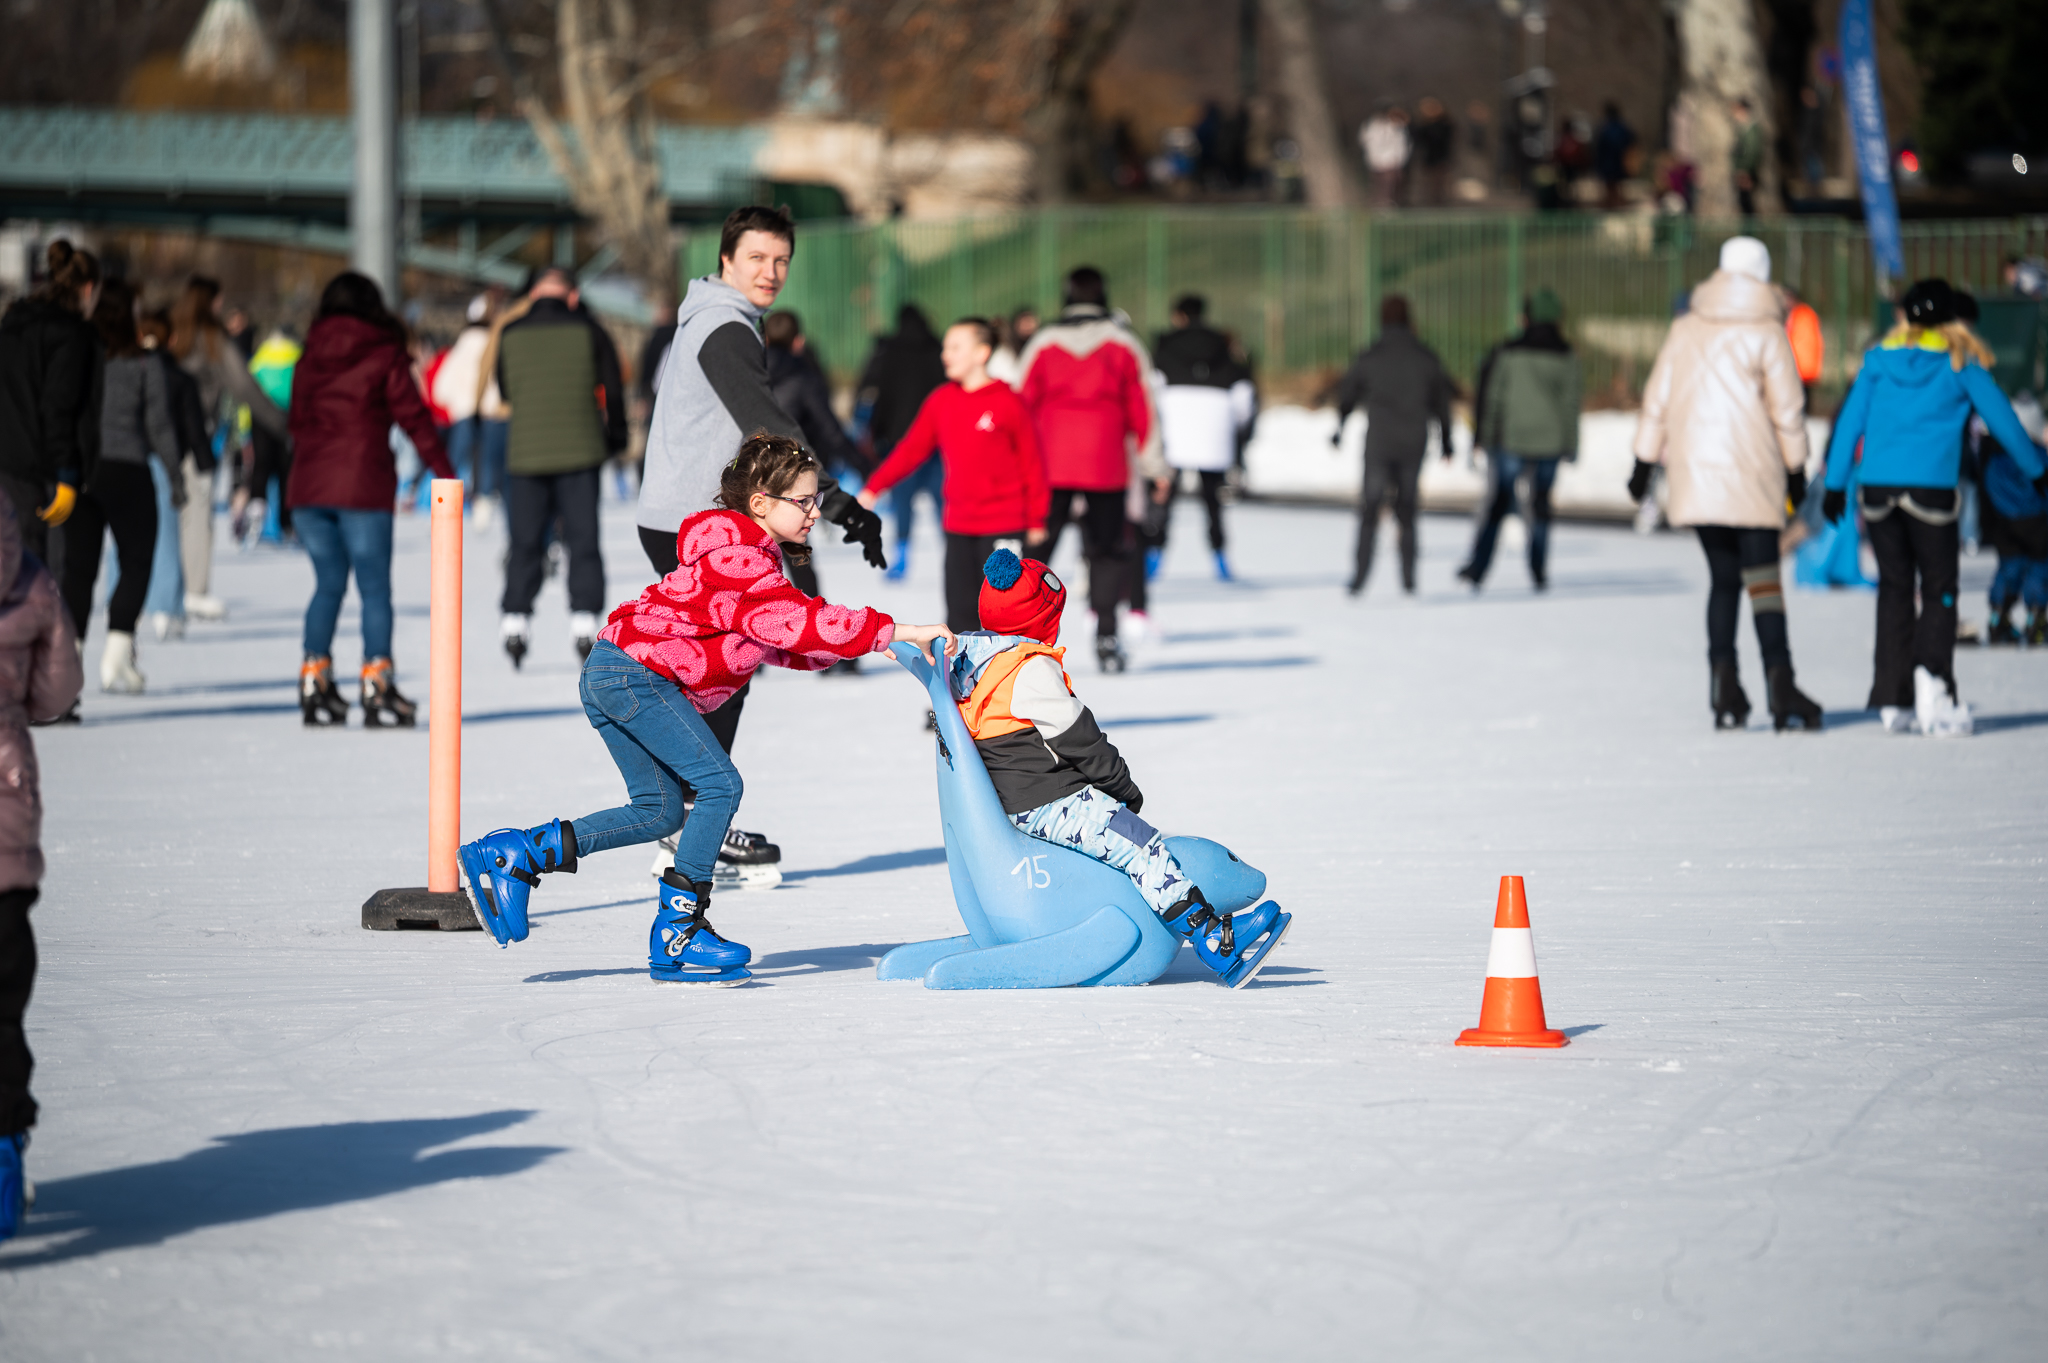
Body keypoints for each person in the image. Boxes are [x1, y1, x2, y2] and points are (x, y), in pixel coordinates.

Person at [456, 434, 954, 983]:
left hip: (616, 671)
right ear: (760, 502)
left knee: (659, 812)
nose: (815, 512)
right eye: (803, 501)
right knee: (720, 786)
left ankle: (518, 855)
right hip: (636, 675)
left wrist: (869, 644)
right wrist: (892, 630)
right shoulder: (740, 560)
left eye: (816, 500)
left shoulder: (746, 557)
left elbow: (781, 638)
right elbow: (799, 622)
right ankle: (681, 929)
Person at [638, 205, 888, 877]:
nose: (771, 272)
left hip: (684, 513)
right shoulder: (725, 327)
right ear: (726, 259)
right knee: (726, 667)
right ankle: (691, 824)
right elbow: (768, 425)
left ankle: (684, 816)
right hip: (696, 520)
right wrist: (836, 502)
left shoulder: (711, 316)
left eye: (781, 261)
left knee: (717, 666)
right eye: (756, 258)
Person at [943, 548, 1288, 987]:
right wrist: (1121, 787)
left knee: (1127, 840)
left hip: (1020, 799)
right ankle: (1213, 940)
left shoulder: (973, 662)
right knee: (1140, 843)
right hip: (1049, 800)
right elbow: (1081, 740)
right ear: (1041, 622)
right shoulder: (1029, 670)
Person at [1821, 278, 2046, 734]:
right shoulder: (1960, 362)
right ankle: (1934, 685)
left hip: (1877, 490)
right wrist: (2038, 472)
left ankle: (1893, 697)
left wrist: (1834, 484)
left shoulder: (1877, 360)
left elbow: (1849, 422)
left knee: (1895, 588)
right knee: (1940, 588)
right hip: (1930, 491)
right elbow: (2004, 422)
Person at [1630, 236, 1820, 731]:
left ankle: (1724, 683)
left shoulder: (1685, 327)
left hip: (1697, 474)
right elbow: (1787, 411)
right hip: (1753, 474)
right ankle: (1781, 684)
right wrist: (1796, 472)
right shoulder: (1769, 331)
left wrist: (1643, 464)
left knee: (1723, 580)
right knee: (1763, 580)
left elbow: (1657, 399)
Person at [286, 271, 454, 728]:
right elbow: (413, 417)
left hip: (308, 488)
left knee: (327, 584)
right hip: (361, 484)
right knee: (374, 588)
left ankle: (314, 678)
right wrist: (445, 471)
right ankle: (377, 686)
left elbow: (295, 422)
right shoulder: (383, 352)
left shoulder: (308, 357)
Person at [0, 500, 84, 1243]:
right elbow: (56, 693)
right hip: (4, 825)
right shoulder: (26, 576)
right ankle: (2, 1148)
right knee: (1, 1005)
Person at [858, 317, 1048, 632]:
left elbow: (1033, 463)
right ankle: (965, 666)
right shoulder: (941, 400)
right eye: (945, 347)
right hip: (959, 525)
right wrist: (874, 487)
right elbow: (910, 450)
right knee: (960, 615)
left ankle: (1011, 665)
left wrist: (1037, 518)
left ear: (982, 353)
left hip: (1004, 524)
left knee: (1006, 615)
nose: (946, 354)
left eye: (956, 347)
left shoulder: (1009, 402)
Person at [1018, 267, 1165, 672]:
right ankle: (1107, 635)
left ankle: (1019, 633)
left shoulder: (1044, 342)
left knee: (1036, 552)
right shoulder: (1124, 343)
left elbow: (1021, 403)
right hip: (1106, 463)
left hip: (1051, 463)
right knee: (1106, 552)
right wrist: (1155, 465)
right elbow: (1143, 409)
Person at [494, 266, 625, 666]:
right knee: (582, 538)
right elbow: (613, 388)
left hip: (526, 453)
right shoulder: (590, 330)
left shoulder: (510, 333)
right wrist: (615, 439)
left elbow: (505, 389)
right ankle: (584, 620)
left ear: (533, 295)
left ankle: (515, 619)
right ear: (572, 296)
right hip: (580, 451)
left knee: (525, 539)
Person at [61, 280, 179, 695]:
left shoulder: (77, 359)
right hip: (129, 470)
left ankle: (68, 664)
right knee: (136, 561)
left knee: (78, 570)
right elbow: (159, 425)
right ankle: (116, 656)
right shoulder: (144, 363)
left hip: (83, 471)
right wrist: (175, 475)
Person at [170, 276, 285, 619]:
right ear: (210, 302)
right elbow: (244, 386)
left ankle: (161, 592)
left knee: (165, 514)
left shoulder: (172, 334)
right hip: (196, 435)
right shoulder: (211, 340)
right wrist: (283, 424)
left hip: (158, 432)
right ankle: (194, 590)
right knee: (197, 511)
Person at [1458, 288, 1582, 591]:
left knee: (1498, 502)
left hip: (1511, 440)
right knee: (1540, 506)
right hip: (1551, 442)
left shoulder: (1509, 353)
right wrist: (1571, 443)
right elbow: (1570, 405)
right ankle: (1538, 570)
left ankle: (1479, 567)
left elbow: (1495, 397)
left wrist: (1485, 435)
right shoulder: (1567, 356)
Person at [1331, 295, 1455, 597]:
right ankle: (1409, 578)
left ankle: (1359, 576)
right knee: (1408, 509)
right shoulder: (1425, 357)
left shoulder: (1371, 355)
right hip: (1414, 440)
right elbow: (1442, 401)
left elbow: (1348, 393)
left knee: (1370, 508)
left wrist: (1340, 426)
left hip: (1380, 441)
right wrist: (1447, 441)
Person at [0, 240, 100, 569]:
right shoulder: (69, 334)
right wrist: (68, 474)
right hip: (34, 474)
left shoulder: (13, 323)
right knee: (36, 574)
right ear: (88, 289)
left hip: (6, 463)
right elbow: (58, 407)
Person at [1152, 295, 1254, 582]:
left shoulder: (1166, 345)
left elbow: (1152, 388)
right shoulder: (1223, 345)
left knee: (1164, 500)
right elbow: (1243, 397)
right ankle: (1220, 557)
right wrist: (1234, 428)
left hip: (1174, 435)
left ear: (1179, 315)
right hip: (1213, 436)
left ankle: (1153, 557)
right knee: (1213, 502)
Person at [857, 305, 948, 582]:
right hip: (937, 440)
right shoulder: (937, 350)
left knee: (902, 503)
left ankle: (902, 556)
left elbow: (878, 395)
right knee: (943, 502)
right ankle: (953, 554)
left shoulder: (889, 352)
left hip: (899, 439)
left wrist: (878, 433)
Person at [136, 310, 211, 643]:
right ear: (172, 339)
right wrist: (205, 462)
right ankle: (167, 608)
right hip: (165, 461)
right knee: (166, 536)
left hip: (127, 458)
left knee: (125, 537)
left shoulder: (124, 371)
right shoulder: (179, 377)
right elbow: (193, 426)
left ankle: (120, 601)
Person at [430, 294, 510, 524]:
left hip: (464, 411)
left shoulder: (461, 346)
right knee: (488, 461)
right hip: (491, 411)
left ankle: (443, 514)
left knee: (453, 464)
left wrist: (456, 402)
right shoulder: (494, 342)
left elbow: (442, 386)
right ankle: (483, 502)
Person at [1361, 105, 1411, 208]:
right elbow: (1368, 144)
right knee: (1379, 185)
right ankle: (1379, 205)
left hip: (1392, 162)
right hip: (1377, 162)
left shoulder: (1396, 127)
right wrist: (1374, 160)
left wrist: (1398, 160)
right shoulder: (1371, 126)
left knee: (1392, 185)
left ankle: (1390, 204)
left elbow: (1401, 145)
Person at [1410, 98, 1456, 207]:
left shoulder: (1445, 124)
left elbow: (1443, 139)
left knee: (1440, 181)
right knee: (1428, 182)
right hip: (1428, 157)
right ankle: (1429, 202)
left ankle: (1440, 202)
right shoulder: (1422, 126)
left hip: (1441, 157)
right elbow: (1418, 140)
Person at [1593, 102, 1637, 209]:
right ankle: (1617, 205)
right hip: (1619, 162)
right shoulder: (1623, 127)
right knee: (1618, 186)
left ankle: (1611, 205)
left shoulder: (1605, 128)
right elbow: (1631, 141)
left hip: (1608, 162)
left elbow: (1599, 146)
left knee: (1610, 186)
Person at [986, 307, 1038, 386]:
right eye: (1025, 323)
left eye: (1030, 323)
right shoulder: (1003, 354)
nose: (1028, 327)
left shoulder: (1005, 353)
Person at [1730, 98, 1765, 218]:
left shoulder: (1751, 130)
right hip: (1743, 171)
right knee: (1744, 203)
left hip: (1746, 173)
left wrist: (1745, 170)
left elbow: (1752, 151)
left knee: (1747, 203)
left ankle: (1752, 229)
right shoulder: (1744, 129)